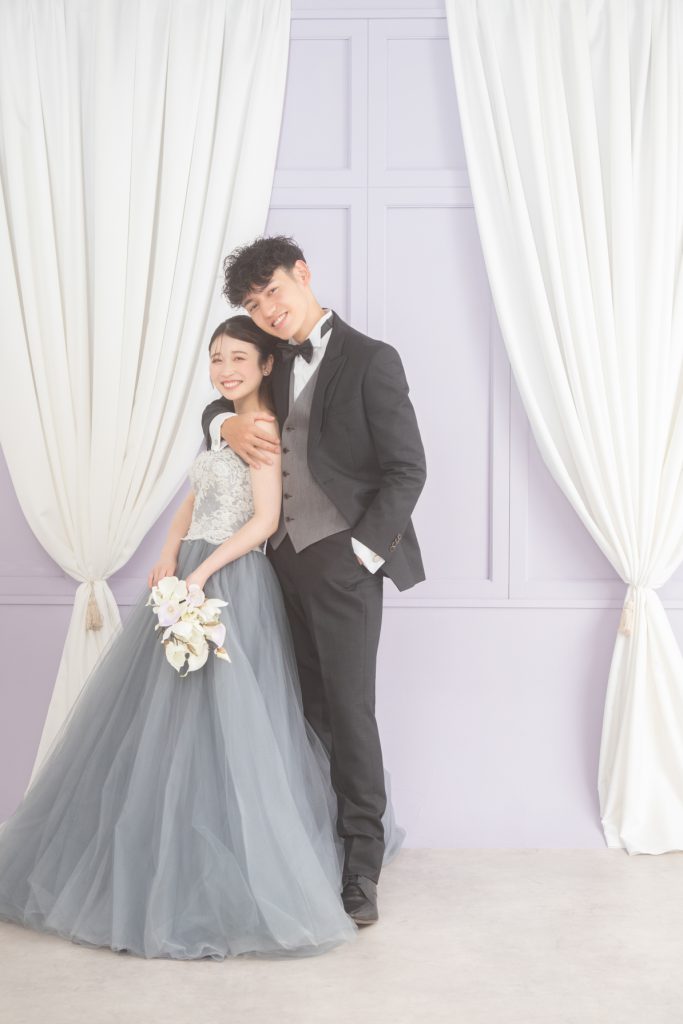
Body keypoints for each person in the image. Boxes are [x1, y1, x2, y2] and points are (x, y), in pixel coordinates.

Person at [0, 316, 403, 960]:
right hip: (190, 569)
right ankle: (165, 845)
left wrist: (203, 571)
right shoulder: (221, 422)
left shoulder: (265, 427)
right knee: (171, 718)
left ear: (267, 364)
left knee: (238, 718)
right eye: (217, 358)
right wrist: (169, 553)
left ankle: (275, 853)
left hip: (232, 578)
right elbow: (194, 495)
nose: (225, 369)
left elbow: (264, 519)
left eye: (239, 357)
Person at [202, 235, 426, 926]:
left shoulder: (371, 359)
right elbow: (226, 397)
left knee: (349, 712)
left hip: (342, 564)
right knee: (298, 711)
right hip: (273, 567)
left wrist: (360, 555)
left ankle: (361, 866)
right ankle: (311, 848)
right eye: (252, 304)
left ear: (302, 274)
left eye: (272, 291)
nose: (266, 310)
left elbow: (407, 470)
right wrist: (222, 425)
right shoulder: (270, 360)